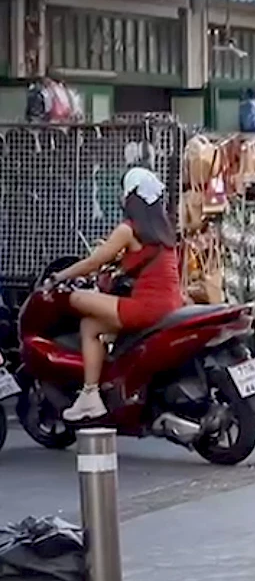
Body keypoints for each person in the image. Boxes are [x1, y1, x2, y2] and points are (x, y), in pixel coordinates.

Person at [52, 168, 184, 421]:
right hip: (171, 305)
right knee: (94, 325)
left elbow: (93, 263)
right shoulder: (162, 230)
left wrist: (59, 277)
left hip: (145, 307)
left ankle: (90, 394)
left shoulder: (128, 229)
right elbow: (138, 263)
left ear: (129, 198)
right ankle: (94, 392)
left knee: (77, 303)